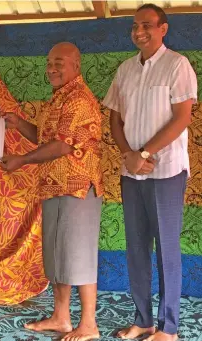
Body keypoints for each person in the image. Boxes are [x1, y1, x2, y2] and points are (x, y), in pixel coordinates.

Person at [103, 4, 197, 341]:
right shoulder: (125, 69)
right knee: (136, 248)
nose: (138, 31)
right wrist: (128, 155)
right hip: (132, 173)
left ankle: (167, 327)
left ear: (163, 28)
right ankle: (142, 320)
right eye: (134, 26)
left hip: (166, 171)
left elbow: (182, 118)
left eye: (146, 25)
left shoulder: (177, 65)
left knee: (167, 248)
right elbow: (114, 118)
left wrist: (144, 153)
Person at [0, 42, 103, 341]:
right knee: (57, 255)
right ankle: (61, 317)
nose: (52, 68)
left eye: (59, 62)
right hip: (53, 186)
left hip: (78, 188)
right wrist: (19, 124)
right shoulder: (58, 99)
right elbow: (46, 138)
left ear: (76, 65)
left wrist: (21, 161)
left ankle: (89, 324)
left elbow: (61, 146)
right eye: (49, 63)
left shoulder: (79, 100)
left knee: (78, 256)